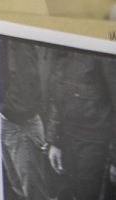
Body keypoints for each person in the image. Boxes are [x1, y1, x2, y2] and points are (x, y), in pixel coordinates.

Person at [46, 49, 116, 200]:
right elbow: (56, 94)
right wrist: (55, 141)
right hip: (66, 140)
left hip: (95, 143)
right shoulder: (61, 50)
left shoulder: (101, 52)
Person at [0, 35, 48, 200]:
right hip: (5, 118)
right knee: (16, 186)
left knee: (33, 191)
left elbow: (26, 85)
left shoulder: (18, 41)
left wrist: (7, 109)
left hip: (18, 122)